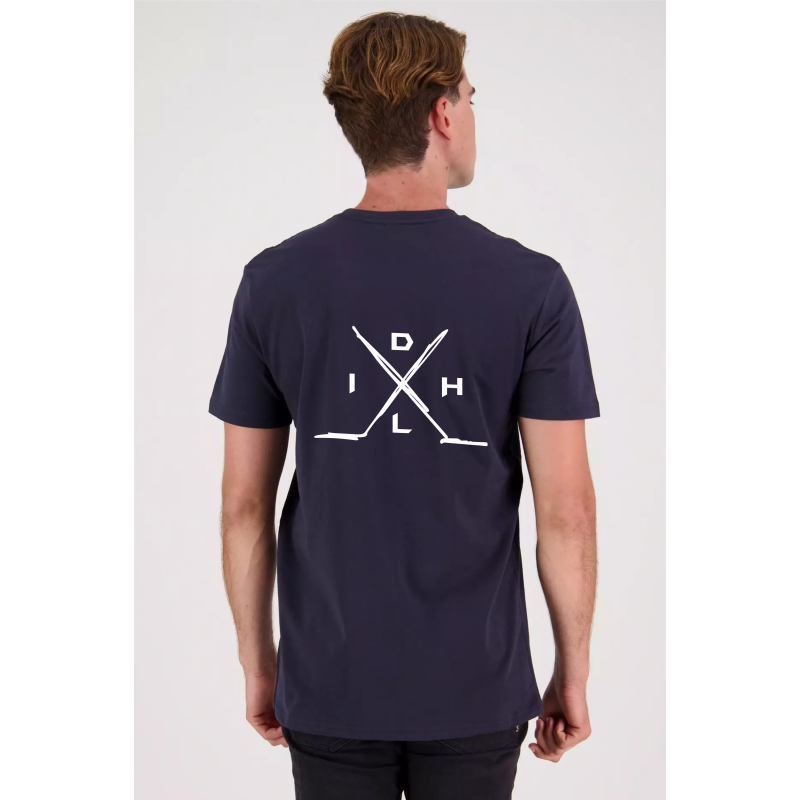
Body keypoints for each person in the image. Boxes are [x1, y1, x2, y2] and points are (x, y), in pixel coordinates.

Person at [209, 11, 599, 799]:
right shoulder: (530, 287)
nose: (473, 114)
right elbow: (566, 512)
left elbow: (243, 506)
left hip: (328, 684)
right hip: (476, 687)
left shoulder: (275, 282)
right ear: (442, 113)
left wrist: (259, 664)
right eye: (471, 96)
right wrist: (573, 672)